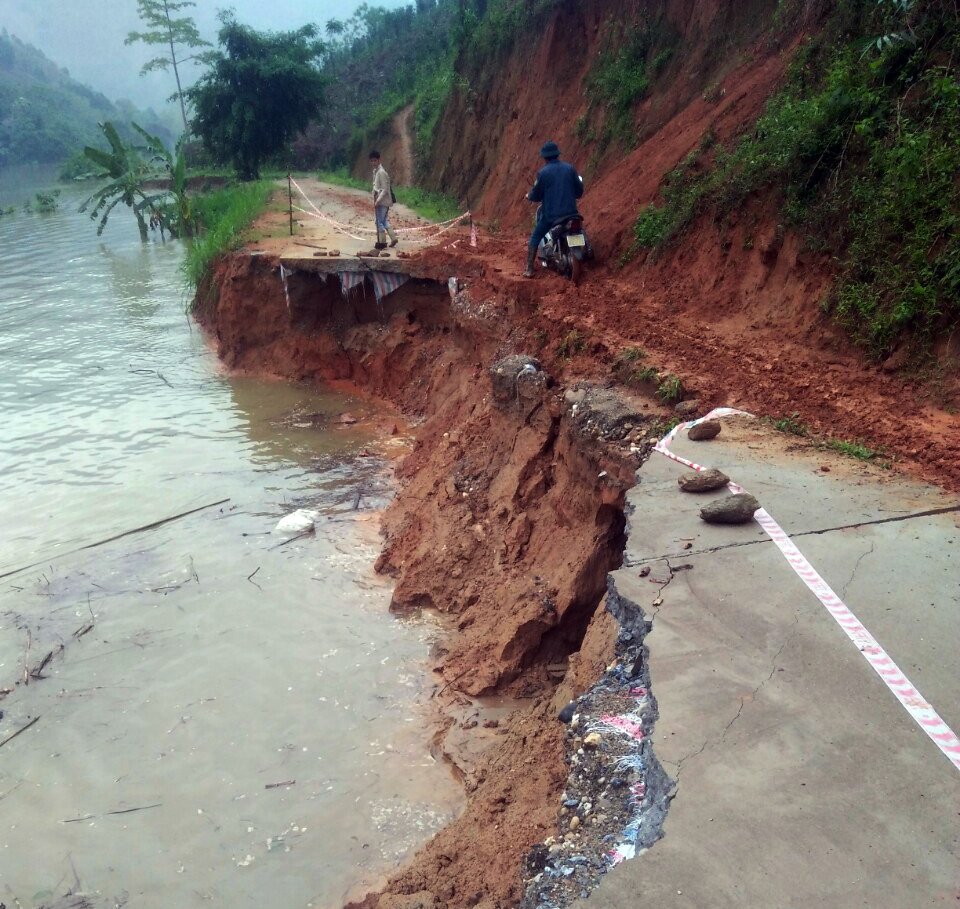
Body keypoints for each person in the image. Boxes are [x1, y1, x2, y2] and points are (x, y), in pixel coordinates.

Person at [523, 140, 584, 277]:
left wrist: (529, 196)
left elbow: (537, 194)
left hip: (551, 216)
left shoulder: (543, 173)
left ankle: (529, 269)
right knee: (580, 229)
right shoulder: (570, 168)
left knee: (535, 236)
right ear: (557, 155)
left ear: (544, 157)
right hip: (571, 213)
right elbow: (579, 190)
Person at [369, 150, 398, 250]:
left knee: (378, 222)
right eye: (371, 161)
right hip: (381, 200)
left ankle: (382, 242)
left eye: (375, 160)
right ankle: (393, 238)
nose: (373, 163)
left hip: (383, 201)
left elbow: (385, 189)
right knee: (383, 220)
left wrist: (378, 200)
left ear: (378, 160)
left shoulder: (381, 172)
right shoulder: (376, 171)